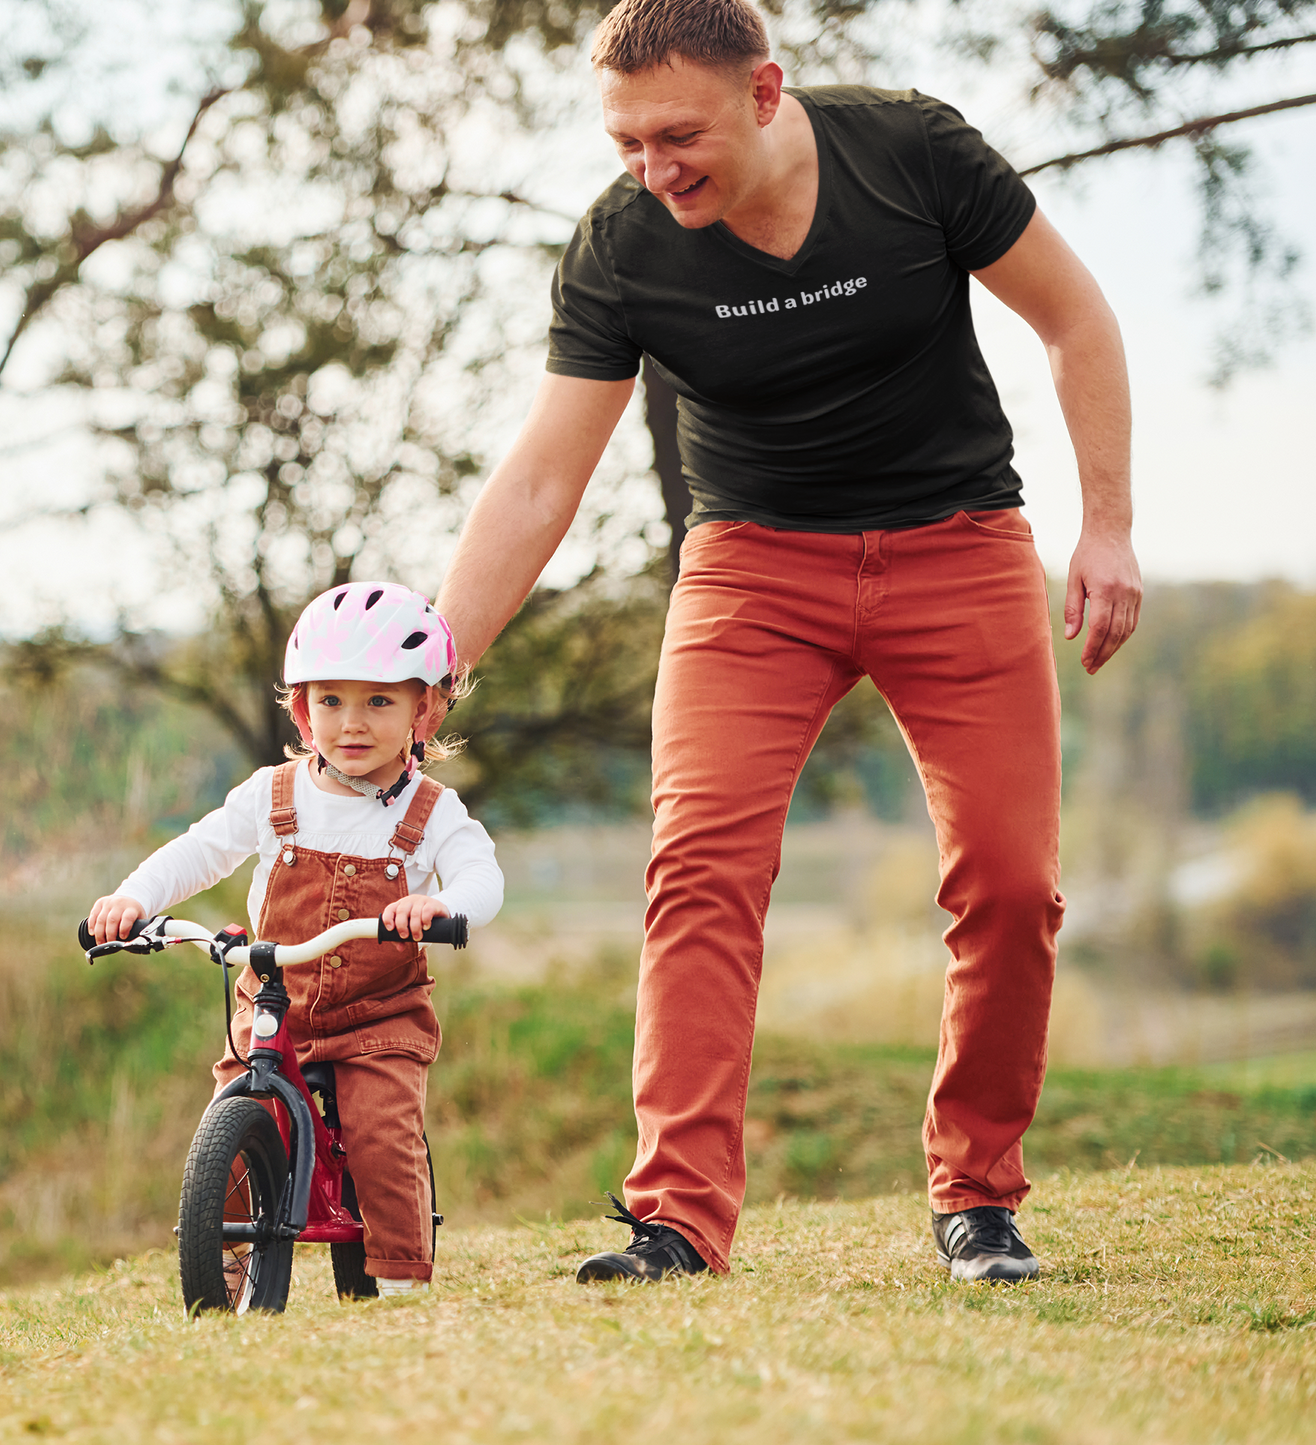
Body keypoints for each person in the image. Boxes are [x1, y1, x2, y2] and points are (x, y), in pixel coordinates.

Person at [434, 0, 1141, 1285]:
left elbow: (1074, 319)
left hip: (955, 542)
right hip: (753, 568)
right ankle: (675, 1218)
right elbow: (544, 477)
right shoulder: (621, 249)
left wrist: (1106, 528)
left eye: (677, 136)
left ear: (765, 92)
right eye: (626, 145)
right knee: (698, 869)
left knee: (1006, 879)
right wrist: (440, 659)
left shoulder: (911, 155)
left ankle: (977, 1197)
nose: (653, 170)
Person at [88, 583, 503, 1299]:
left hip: (379, 1017)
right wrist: (134, 899)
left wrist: (438, 903)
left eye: (379, 701)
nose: (352, 721)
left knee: (379, 1133)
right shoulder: (272, 795)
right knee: (232, 1124)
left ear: (424, 710)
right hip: (272, 1003)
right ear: (302, 708)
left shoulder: (429, 809)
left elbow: (481, 875)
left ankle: (399, 1275)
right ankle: (219, 1269)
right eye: (331, 699)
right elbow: (199, 850)